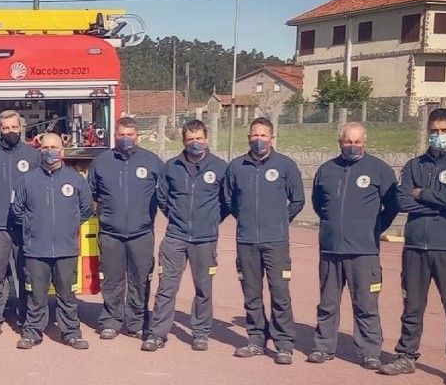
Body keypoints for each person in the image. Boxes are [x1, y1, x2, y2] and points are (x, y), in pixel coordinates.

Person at [380, 108, 446, 385]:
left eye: (444, 130)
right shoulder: (414, 166)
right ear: (427, 131)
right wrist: (443, 198)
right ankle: (406, 356)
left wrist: (421, 193)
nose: (438, 136)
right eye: (434, 131)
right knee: (411, 306)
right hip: (415, 248)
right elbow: (402, 202)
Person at [309, 122, 399, 370]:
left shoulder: (379, 169)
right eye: (348, 142)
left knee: (366, 304)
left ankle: (370, 352)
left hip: (364, 251)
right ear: (340, 143)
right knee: (328, 303)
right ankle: (323, 347)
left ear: (365, 142)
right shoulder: (326, 170)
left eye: (357, 142)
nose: (352, 146)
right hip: (330, 249)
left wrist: (374, 228)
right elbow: (319, 204)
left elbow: (392, 206)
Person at [222, 117, 305, 364]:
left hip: (276, 241)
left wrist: (280, 220)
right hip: (246, 240)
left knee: (280, 293)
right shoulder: (236, 166)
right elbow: (228, 200)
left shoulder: (285, 165)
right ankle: (256, 339)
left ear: (273, 139)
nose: (259, 140)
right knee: (251, 293)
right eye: (254, 136)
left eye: (263, 136)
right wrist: (246, 219)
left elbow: (298, 200)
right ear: (248, 138)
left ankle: (284, 344)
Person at [147, 120, 228, 352]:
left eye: (199, 138)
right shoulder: (172, 167)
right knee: (166, 288)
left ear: (207, 139)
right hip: (175, 237)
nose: (195, 143)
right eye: (190, 139)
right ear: (184, 141)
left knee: (203, 289)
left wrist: (211, 220)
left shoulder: (220, 167)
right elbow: (162, 197)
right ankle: (157, 334)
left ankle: (200, 333)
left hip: (205, 239)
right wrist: (175, 216)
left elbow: (227, 201)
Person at [13, 134, 93, 350]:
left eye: (54, 147)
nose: (50, 151)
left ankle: (71, 333)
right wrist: (33, 228)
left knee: (67, 295)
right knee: (35, 295)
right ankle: (32, 333)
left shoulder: (76, 180)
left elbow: (86, 210)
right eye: (46, 147)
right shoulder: (27, 180)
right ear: (40, 151)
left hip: (66, 249)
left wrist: (67, 227)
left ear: (62, 151)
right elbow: (17, 211)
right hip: (35, 250)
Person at [88, 116, 163, 341]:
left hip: (141, 233)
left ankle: (137, 322)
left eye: (130, 135)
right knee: (112, 280)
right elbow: (90, 195)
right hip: (111, 234)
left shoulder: (152, 162)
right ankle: (111, 321)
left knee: (141, 279)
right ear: (115, 136)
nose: (126, 139)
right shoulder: (101, 162)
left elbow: (167, 195)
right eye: (121, 135)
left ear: (137, 137)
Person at [0, 109, 40, 339]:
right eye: (6, 128)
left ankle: (26, 320)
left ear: (21, 128)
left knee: (27, 275)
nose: (11, 131)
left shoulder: (33, 155)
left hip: (24, 226)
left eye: (14, 127)